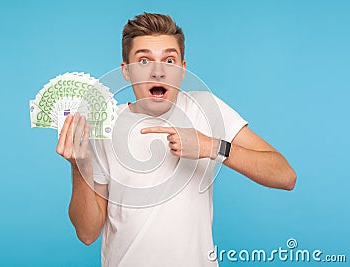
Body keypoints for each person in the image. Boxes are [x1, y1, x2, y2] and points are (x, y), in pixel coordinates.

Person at [56, 12, 296, 267]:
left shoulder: (205, 107)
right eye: (144, 60)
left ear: (182, 69)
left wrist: (211, 146)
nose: (158, 71)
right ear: (126, 71)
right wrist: (78, 165)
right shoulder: (105, 125)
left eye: (169, 60)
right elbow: (87, 233)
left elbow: (285, 176)